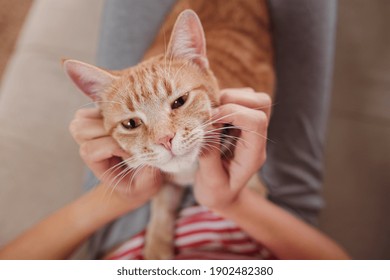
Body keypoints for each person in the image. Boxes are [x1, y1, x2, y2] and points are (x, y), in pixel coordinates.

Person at [0, 0, 348, 259]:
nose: (164, 137)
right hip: (277, 216)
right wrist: (233, 202)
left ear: (200, 63)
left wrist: (123, 197)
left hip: (125, 210)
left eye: (177, 103)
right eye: (135, 123)